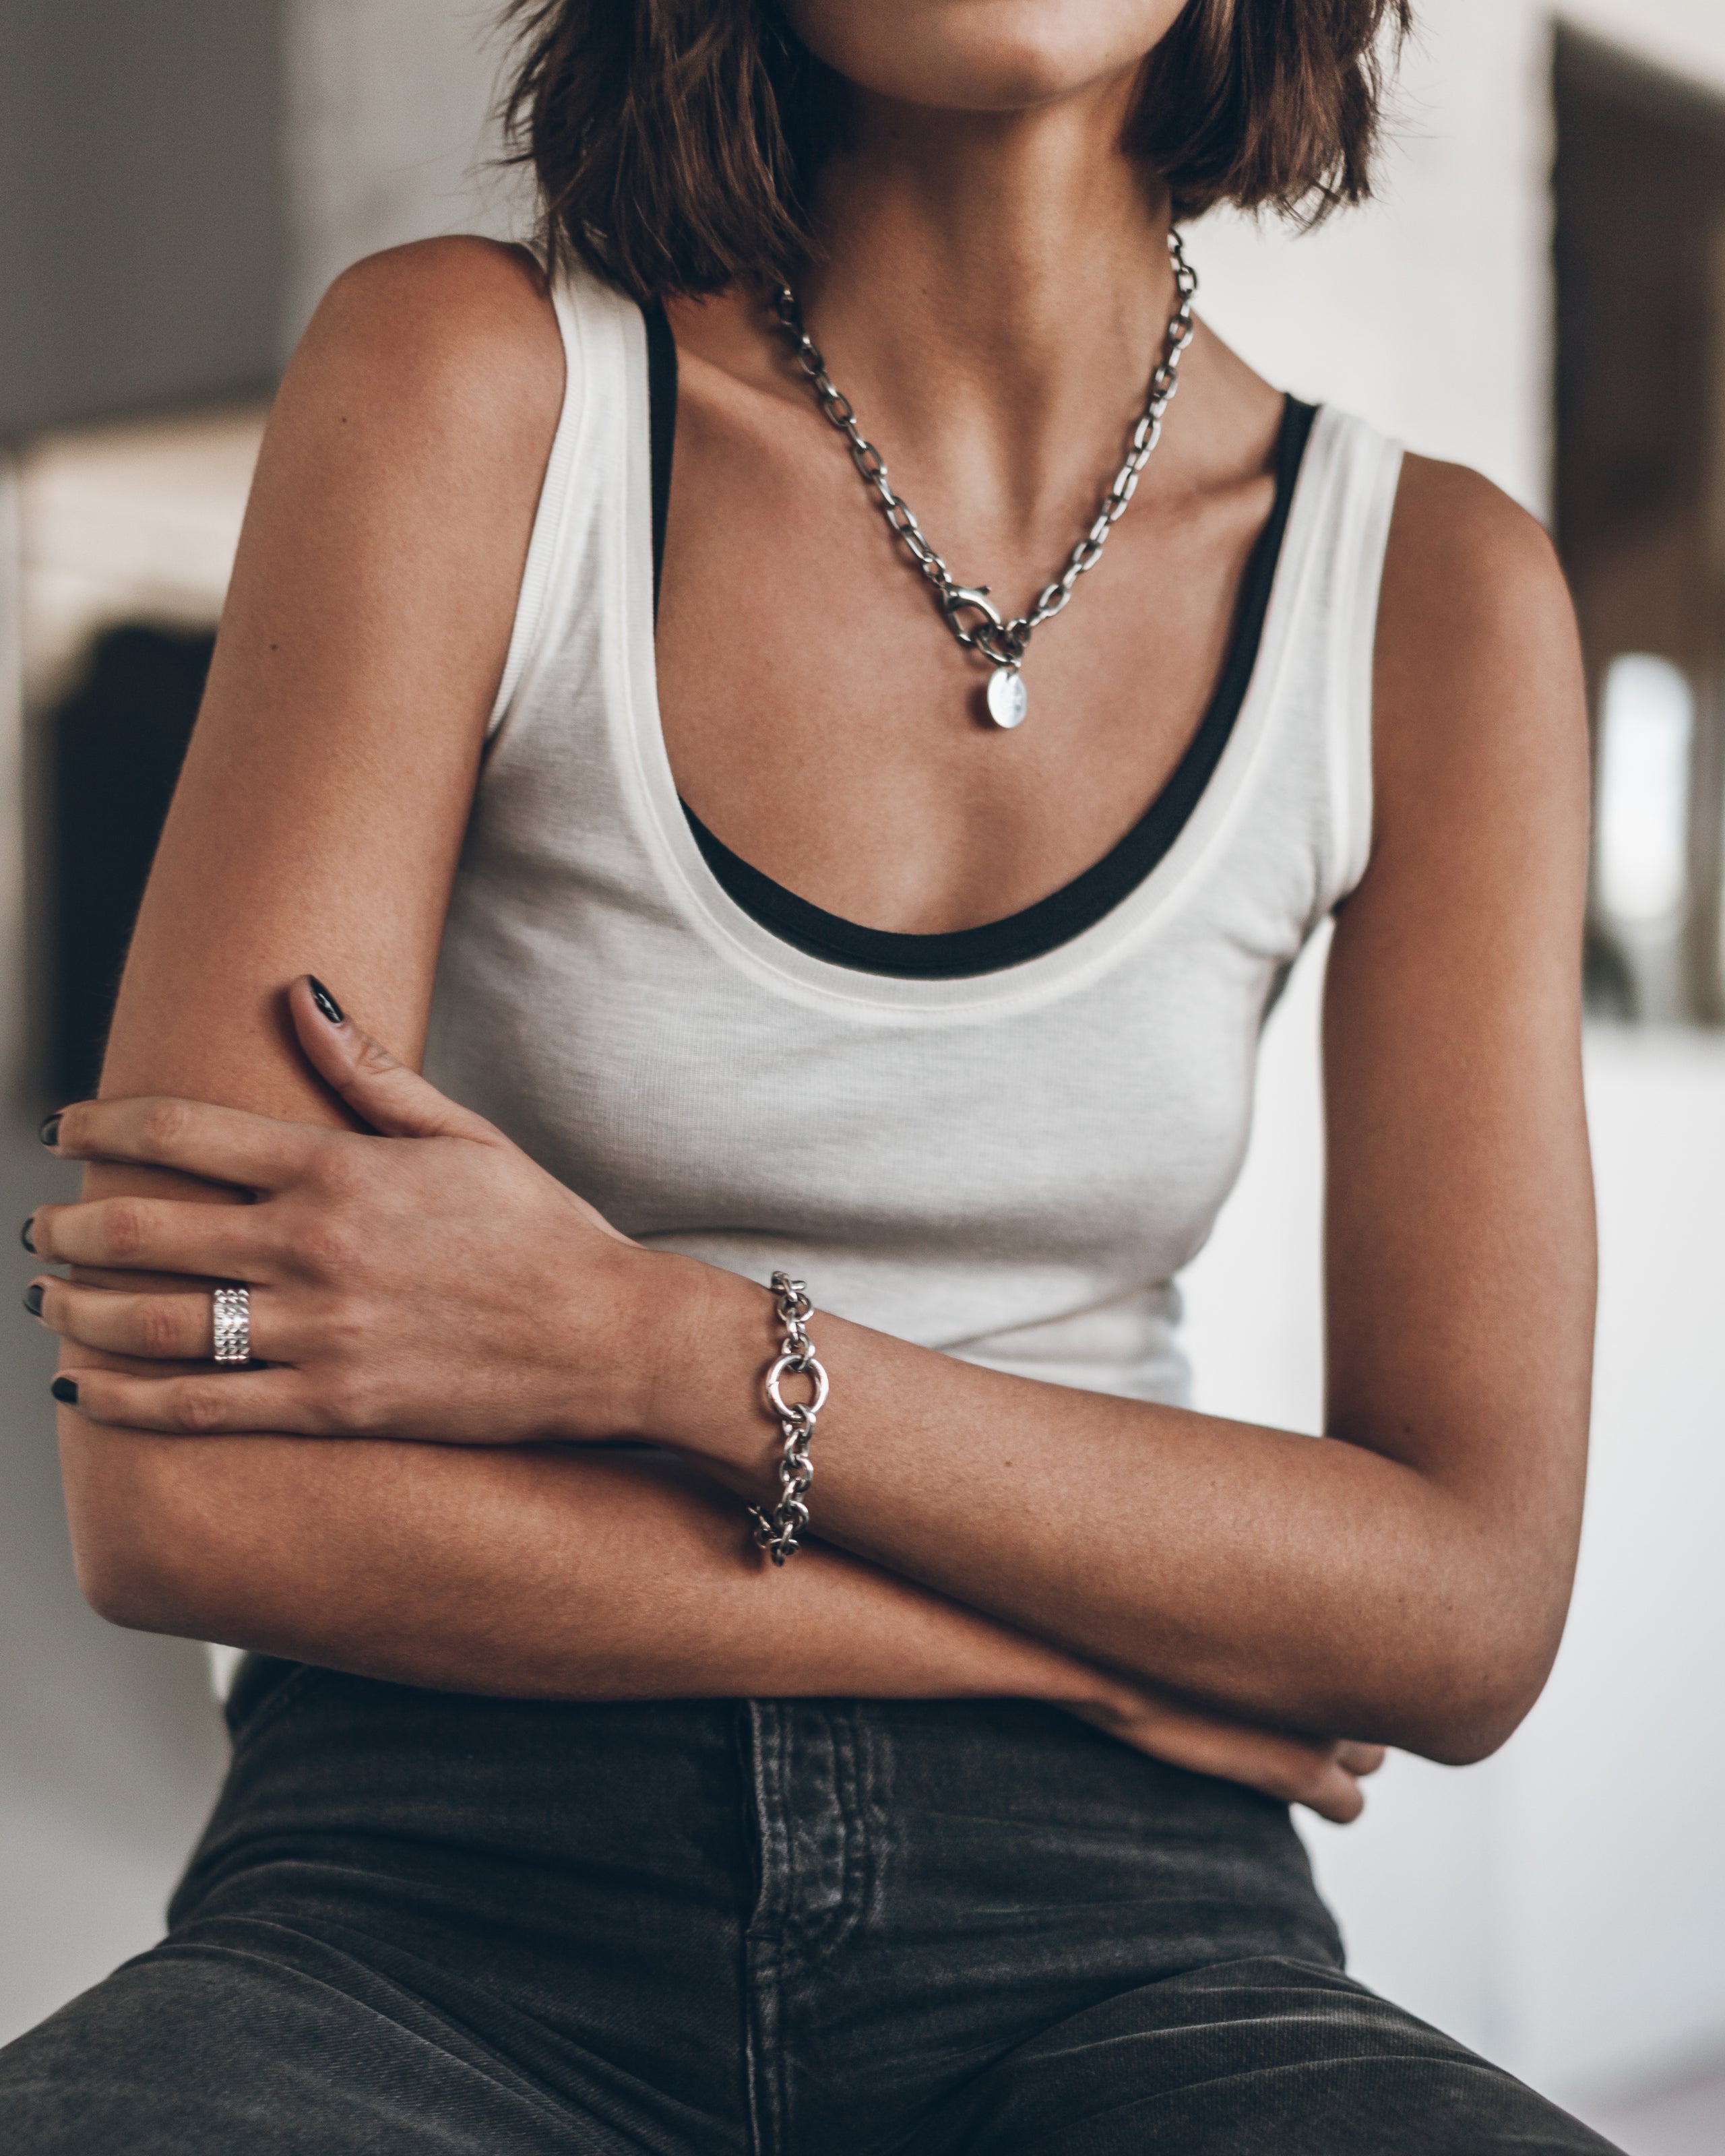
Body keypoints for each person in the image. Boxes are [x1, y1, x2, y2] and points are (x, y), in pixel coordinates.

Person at [5, 1, 1614, 2149]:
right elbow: (185, 1486)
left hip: (1122, 1936)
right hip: (424, 1897)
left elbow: (1462, 1608)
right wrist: (1087, 1647)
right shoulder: (476, 388)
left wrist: (643, 1343)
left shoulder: (1436, 596)